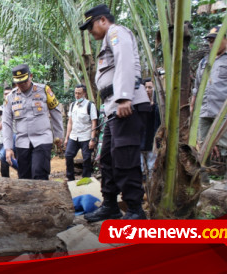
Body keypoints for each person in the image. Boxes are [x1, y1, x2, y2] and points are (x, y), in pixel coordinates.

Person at [79, 4, 150, 221]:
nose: (90, 32)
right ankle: (110, 204)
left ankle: (136, 209)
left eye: (90, 27)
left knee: (125, 158)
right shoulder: (107, 40)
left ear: (102, 20)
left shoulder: (116, 32)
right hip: (113, 109)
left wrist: (125, 97)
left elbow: (125, 63)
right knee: (107, 158)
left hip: (127, 105)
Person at [191, 26, 227, 192]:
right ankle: (204, 180)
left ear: (226, 38)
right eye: (210, 40)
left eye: (216, 39)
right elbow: (197, 87)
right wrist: (193, 105)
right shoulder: (204, 62)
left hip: (225, 109)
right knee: (202, 144)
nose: (212, 43)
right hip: (204, 109)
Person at [2, 64, 64, 180]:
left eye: (24, 81)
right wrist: (8, 148)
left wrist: (59, 135)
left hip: (42, 139)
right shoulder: (10, 97)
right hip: (22, 142)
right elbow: (6, 123)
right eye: (19, 83)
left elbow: (56, 112)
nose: (22, 85)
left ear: (31, 76)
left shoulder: (44, 90)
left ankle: (42, 198)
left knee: (39, 173)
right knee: (24, 177)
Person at [64, 84, 98, 181]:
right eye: (75, 93)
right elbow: (70, 122)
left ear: (84, 94)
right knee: (68, 155)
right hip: (74, 136)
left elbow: (94, 122)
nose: (77, 95)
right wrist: (67, 138)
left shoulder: (90, 105)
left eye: (79, 93)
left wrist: (92, 139)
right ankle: (70, 178)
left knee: (87, 158)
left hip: (86, 136)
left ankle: (86, 178)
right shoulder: (72, 105)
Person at [140, 78, 160, 180]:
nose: (147, 90)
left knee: (152, 168)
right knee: (140, 169)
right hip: (140, 142)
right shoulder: (138, 105)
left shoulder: (158, 106)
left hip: (152, 142)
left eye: (150, 87)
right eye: (146, 87)